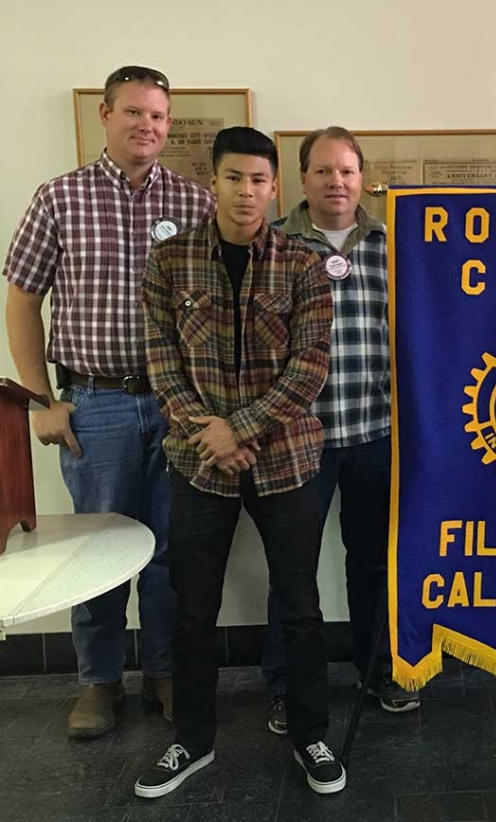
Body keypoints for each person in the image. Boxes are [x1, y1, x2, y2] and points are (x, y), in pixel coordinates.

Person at [3, 66, 214, 737]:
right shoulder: (58, 198)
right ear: (105, 114)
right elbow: (22, 300)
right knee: (98, 549)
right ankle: (97, 683)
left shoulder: (193, 200)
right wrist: (40, 400)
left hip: (177, 406)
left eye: (158, 116)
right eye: (133, 112)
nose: (146, 126)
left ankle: (163, 673)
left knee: (168, 552)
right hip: (95, 405)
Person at [135, 127, 344, 798]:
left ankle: (311, 732)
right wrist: (210, 434)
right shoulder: (168, 262)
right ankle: (192, 741)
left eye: (258, 180)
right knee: (193, 607)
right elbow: (162, 365)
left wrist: (243, 428)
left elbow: (309, 368)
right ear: (213, 182)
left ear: (274, 186)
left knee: (301, 604)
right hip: (199, 464)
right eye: (233, 178)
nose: (246, 191)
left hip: (286, 460)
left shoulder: (303, 265)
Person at [260, 126, 418, 736]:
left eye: (347, 171)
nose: (337, 182)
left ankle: (376, 672)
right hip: (297, 437)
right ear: (302, 178)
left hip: (376, 433)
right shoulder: (273, 244)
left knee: (374, 563)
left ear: (362, 177)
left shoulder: (393, 242)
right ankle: (286, 686)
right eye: (324, 171)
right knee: (291, 569)